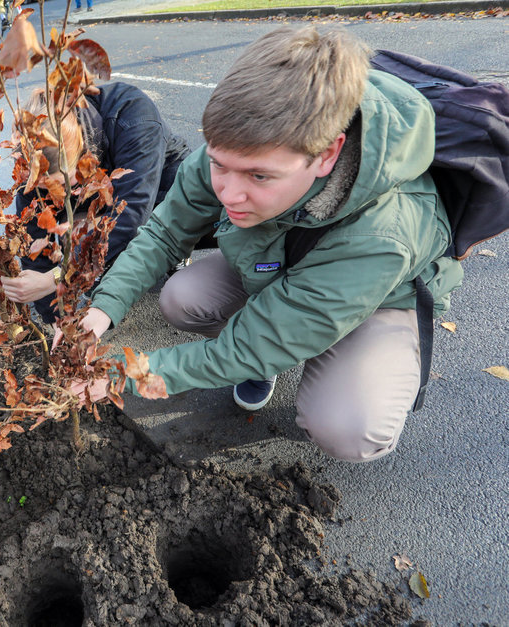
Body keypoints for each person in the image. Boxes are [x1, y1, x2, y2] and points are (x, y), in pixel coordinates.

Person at [74, 26, 463, 463]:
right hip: (280, 263)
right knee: (183, 298)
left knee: (348, 426)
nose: (228, 193)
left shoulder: (381, 234)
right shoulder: (240, 148)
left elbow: (246, 345)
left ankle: (332, 356)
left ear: (328, 154)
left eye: (259, 177)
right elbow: (165, 232)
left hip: (383, 298)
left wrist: (123, 374)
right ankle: (279, 344)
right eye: (220, 166)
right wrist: (101, 308)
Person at [1, 82, 191, 323]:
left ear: (78, 154)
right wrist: (55, 317)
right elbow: (35, 238)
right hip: (99, 195)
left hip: (161, 188)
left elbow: (131, 216)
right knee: (80, 247)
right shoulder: (35, 162)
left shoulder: (134, 116)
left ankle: (173, 250)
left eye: (60, 183)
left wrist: (57, 277)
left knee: (140, 233)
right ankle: (106, 267)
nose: (51, 193)